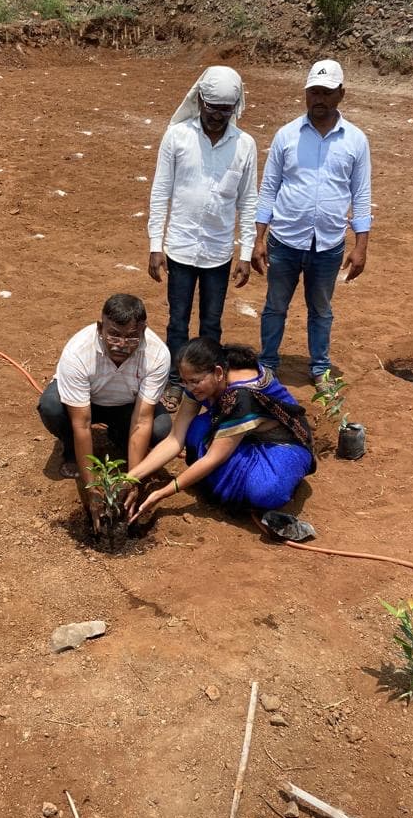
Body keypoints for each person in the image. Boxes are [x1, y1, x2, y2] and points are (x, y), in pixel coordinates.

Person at [254, 59, 372, 390]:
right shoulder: (286, 136)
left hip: (329, 244)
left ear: (341, 95)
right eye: (313, 92)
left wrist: (361, 247)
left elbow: (361, 196)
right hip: (285, 240)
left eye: (326, 93)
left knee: (321, 309)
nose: (318, 99)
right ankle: (267, 365)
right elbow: (268, 189)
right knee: (275, 306)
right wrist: (258, 239)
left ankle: (319, 368)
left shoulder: (355, 141)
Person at [147, 65, 259, 413]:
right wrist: (155, 244)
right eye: (212, 108)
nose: (217, 116)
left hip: (219, 252)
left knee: (211, 323)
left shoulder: (244, 145)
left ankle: (209, 385)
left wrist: (246, 251)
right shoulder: (177, 136)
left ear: (235, 107)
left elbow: (248, 200)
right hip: (180, 247)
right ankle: (178, 382)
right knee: (177, 320)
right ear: (200, 100)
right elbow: (160, 190)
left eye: (225, 110)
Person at [127, 338, 314, 521]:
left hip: (283, 446)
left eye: (195, 381)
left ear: (217, 372)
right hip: (245, 434)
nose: (190, 388)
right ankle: (220, 479)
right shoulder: (208, 376)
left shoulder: (242, 396)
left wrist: (162, 493)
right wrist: (131, 477)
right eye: (185, 382)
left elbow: (213, 458)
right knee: (196, 430)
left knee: (265, 492)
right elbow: (175, 439)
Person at [37, 294, 171, 524]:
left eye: (131, 337)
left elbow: (142, 420)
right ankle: (70, 449)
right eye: (114, 334)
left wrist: (134, 479)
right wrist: (92, 490)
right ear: (100, 328)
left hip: (127, 405)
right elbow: (82, 423)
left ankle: (121, 440)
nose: (121, 344)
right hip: (85, 402)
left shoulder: (157, 354)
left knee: (161, 428)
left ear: (143, 331)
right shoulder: (79, 351)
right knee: (51, 407)